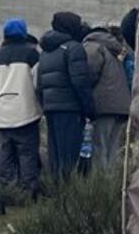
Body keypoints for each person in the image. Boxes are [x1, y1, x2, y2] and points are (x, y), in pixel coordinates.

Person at [36, 11, 95, 182]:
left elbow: (39, 85)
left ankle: (57, 194)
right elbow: (80, 83)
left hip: (51, 109)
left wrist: (46, 104)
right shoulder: (74, 48)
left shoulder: (46, 51)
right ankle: (70, 195)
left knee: (56, 154)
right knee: (70, 155)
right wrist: (89, 109)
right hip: (70, 109)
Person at [0, 18, 43, 195]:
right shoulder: (31, 55)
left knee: (6, 155)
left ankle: (7, 190)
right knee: (27, 154)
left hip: (3, 114)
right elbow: (38, 83)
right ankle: (29, 192)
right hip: (26, 111)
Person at [82, 21, 131, 171]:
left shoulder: (93, 46)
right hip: (121, 105)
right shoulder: (113, 49)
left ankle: (99, 185)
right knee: (112, 149)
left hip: (104, 105)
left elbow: (89, 75)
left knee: (99, 147)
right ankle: (109, 184)